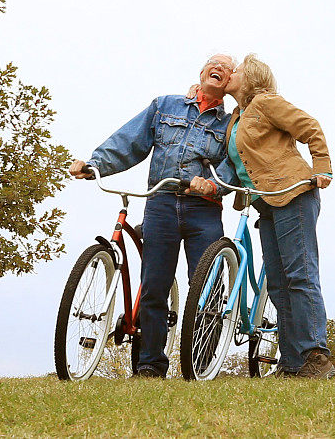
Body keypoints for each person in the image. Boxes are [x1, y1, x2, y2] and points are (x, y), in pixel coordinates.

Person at [69, 54, 237, 378]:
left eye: (227, 68)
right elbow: (129, 141)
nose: (219, 68)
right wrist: (95, 164)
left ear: (230, 83)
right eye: (213, 63)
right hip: (160, 202)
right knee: (154, 286)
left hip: (203, 210)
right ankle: (150, 365)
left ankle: (202, 366)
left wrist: (213, 185)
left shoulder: (229, 125)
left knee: (208, 286)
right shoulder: (164, 106)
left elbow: (234, 166)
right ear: (201, 72)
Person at [189, 54, 335, 379]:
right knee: (279, 285)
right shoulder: (236, 119)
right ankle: (293, 362)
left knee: (300, 276)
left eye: (237, 69)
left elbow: (309, 127)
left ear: (252, 77)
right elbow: (233, 164)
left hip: (294, 193)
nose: (231, 73)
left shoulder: (267, 103)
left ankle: (316, 356)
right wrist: (212, 186)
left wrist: (322, 166)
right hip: (265, 203)